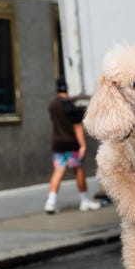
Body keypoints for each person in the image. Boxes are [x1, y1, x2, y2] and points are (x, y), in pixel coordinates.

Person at [43, 76, 101, 213]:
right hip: (71, 144)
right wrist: (82, 145)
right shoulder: (68, 104)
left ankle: (50, 202)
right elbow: (77, 126)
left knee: (58, 172)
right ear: (66, 87)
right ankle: (84, 201)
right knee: (78, 171)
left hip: (57, 144)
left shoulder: (52, 105)